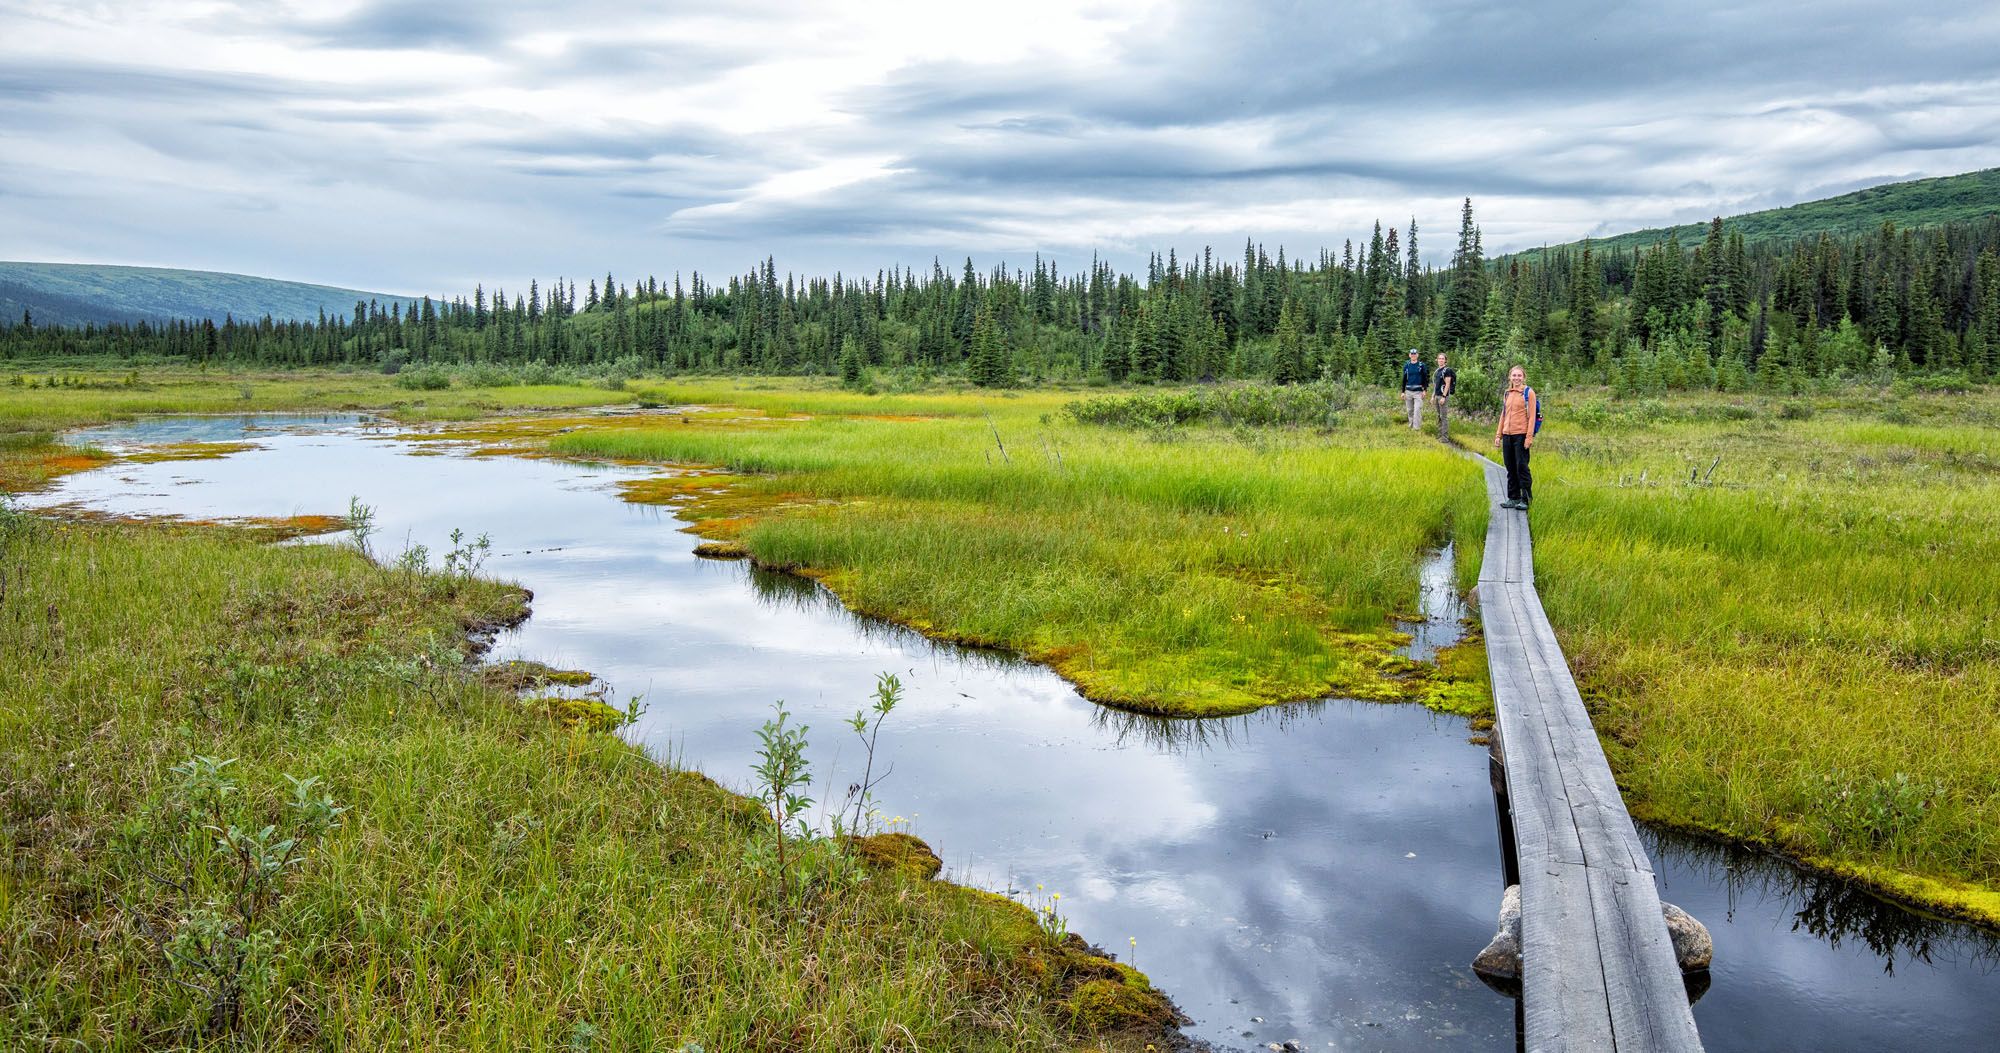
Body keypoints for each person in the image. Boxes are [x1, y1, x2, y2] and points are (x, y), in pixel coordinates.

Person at [1493, 365, 1537, 510]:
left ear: (1524, 377)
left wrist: (1529, 438)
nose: (1516, 378)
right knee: (1510, 467)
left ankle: (1525, 499)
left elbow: (1531, 418)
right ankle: (1513, 497)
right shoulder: (1507, 393)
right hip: (1507, 435)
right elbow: (1503, 415)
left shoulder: (1528, 393)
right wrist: (1498, 435)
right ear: (1510, 377)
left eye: (1519, 375)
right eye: (1514, 375)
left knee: (1521, 467)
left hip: (1521, 435)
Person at [1400, 348, 1428, 431]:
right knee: (1410, 410)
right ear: (1409, 355)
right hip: (1408, 391)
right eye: (1412, 354)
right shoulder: (1407, 365)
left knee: (1417, 410)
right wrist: (1402, 392)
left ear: (1417, 355)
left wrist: (1425, 390)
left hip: (1418, 391)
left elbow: (1425, 378)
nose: (1413, 355)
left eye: (1415, 354)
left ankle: (1416, 428)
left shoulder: (1421, 365)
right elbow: (1404, 379)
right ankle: (1411, 425)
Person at [1431, 351, 1456, 443]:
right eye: (1439, 358)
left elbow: (1448, 384)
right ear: (1437, 360)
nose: (1441, 360)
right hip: (1437, 395)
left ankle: (1444, 438)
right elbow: (1436, 385)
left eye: (1442, 359)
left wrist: (1443, 397)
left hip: (1442, 397)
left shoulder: (1447, 370)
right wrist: (1433, 396)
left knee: (1443, 417)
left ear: (1445, 360)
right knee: (1439, 416)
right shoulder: (1438, 371)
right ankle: (1439, 434)